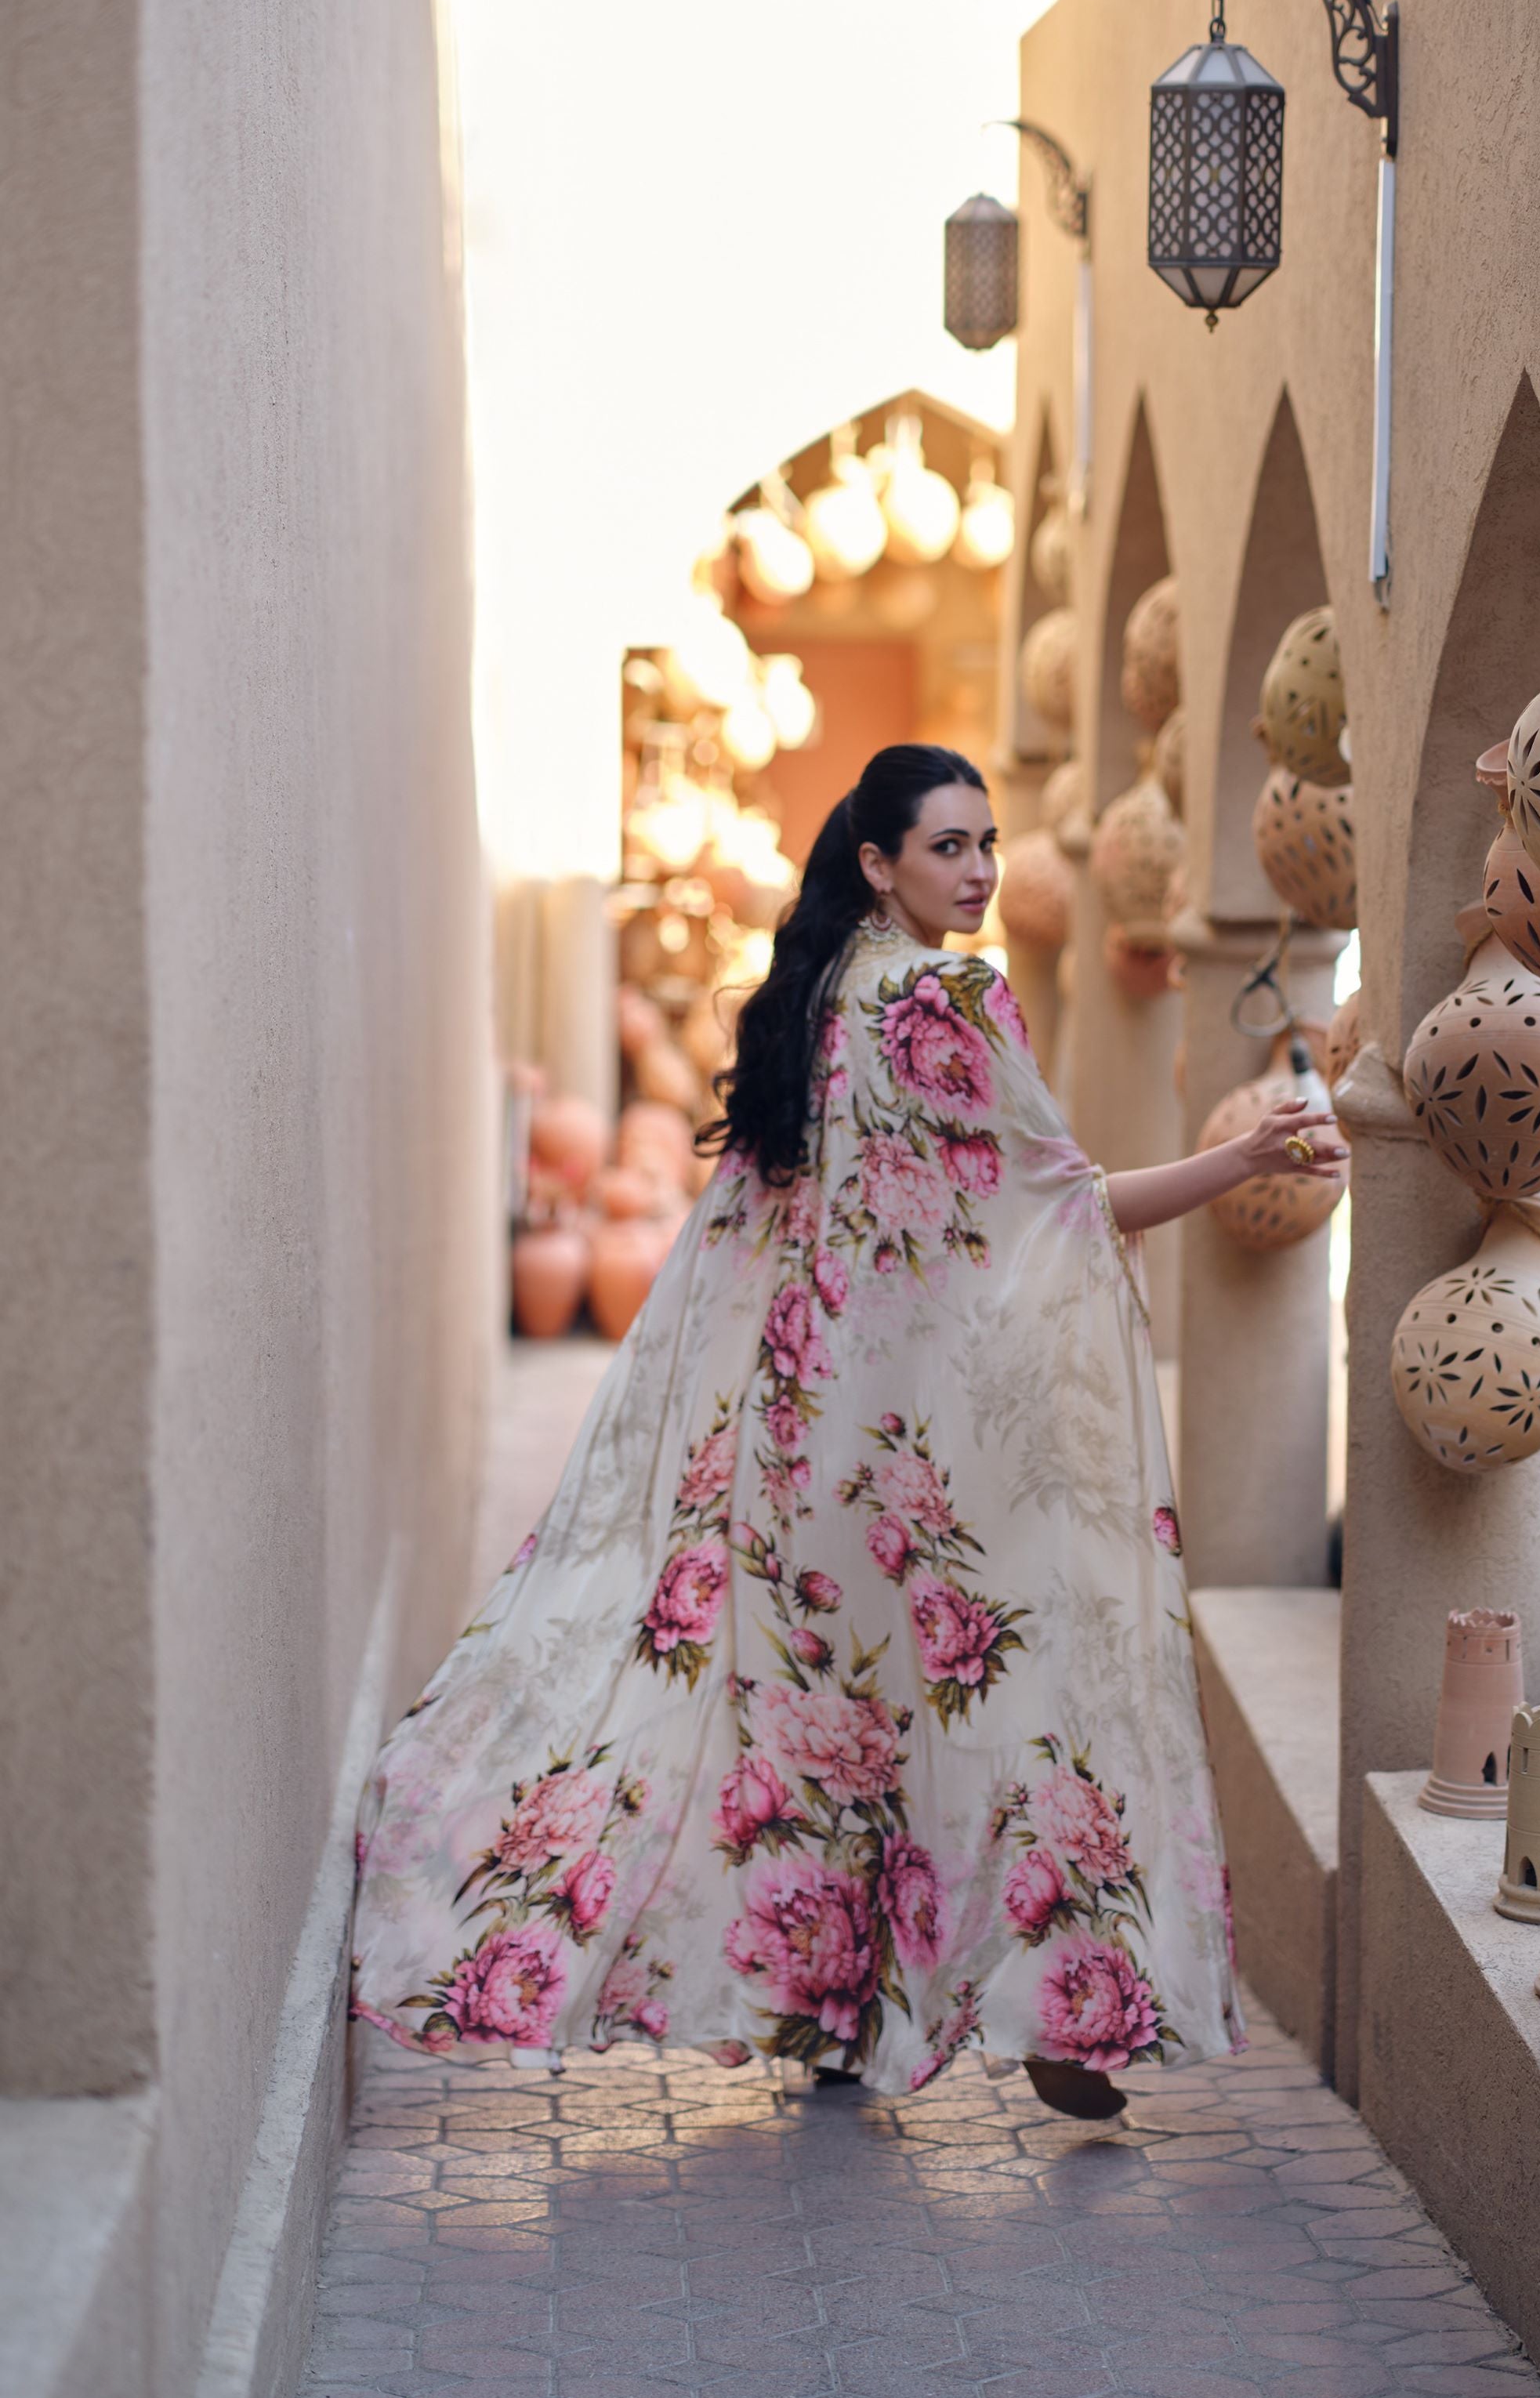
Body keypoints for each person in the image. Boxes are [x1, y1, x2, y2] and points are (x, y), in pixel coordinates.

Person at [351, 744, 1345, 2117]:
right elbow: (1054, 1207)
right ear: (879, 864)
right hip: (920, 1458)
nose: (983, 871)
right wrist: (1240, 1160)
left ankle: (835, 2016)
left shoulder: (807, 1001)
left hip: (802, 1438)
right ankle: (1057, 2007)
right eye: (950, 847)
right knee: (1017, 1695)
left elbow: (770, 1234)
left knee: (829, 1723)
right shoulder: (952, 997)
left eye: (989, 844)